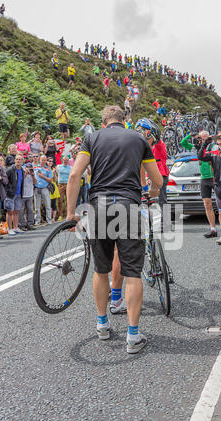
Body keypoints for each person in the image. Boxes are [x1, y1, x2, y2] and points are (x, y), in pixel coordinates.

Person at [66, 105, 163, 354]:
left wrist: (70, 213)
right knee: (133, 272)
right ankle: (132, 335)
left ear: (104, 121)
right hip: (128, 204)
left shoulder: (92, 137)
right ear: (124, 120)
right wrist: (151, 192)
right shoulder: (138, 138)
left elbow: (75, 175)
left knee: (101, 270)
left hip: (98, 206)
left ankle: (102, 324)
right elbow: (158, 179)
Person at [4, 154, 25, 236]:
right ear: (14, 160)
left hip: (19, 194)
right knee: (9, 211)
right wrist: (7, 190)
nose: (18, 161)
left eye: (20, 159)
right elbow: (4, 180)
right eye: (17, 159)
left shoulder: (22, 170)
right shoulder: (10, 169)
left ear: (22, 161)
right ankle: (9, 229)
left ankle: (16, 227)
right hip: (10, 194)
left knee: (16, 211)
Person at [34, 155, 53, 226]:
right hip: (36, 188)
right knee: (37, 206)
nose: (43, 161)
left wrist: (43, 176)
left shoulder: (48, 169)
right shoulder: (35, 167)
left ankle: (49, 220)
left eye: (45, 160)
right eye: (42, 160)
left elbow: (50, 180)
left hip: (45, 188)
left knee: (48, 205)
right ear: (40, 160)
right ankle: (37, 220)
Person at [19, 162, 37, 231]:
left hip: (30, 194)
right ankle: (22, 225)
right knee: (21, 211)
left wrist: (32, 175)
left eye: (30, 168)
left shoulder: (32, 173)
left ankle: (30, 224)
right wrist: (25, 173)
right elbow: (20, 181)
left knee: (30, 210)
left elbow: (35, 182)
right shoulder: (23, 173)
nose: (29, 169)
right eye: (28, 168)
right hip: (23, 195)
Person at [56, 156, 72, 221]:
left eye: (66, 160)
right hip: (61, 184)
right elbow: (56, 174)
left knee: (68, 201)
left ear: (68, 161)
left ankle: (68, 214)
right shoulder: (58, 167)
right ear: (62, 160)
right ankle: (60, 215)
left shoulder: (71, 168)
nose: (65, 161)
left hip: (68, 184)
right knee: (60, 200)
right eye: (64, 160)